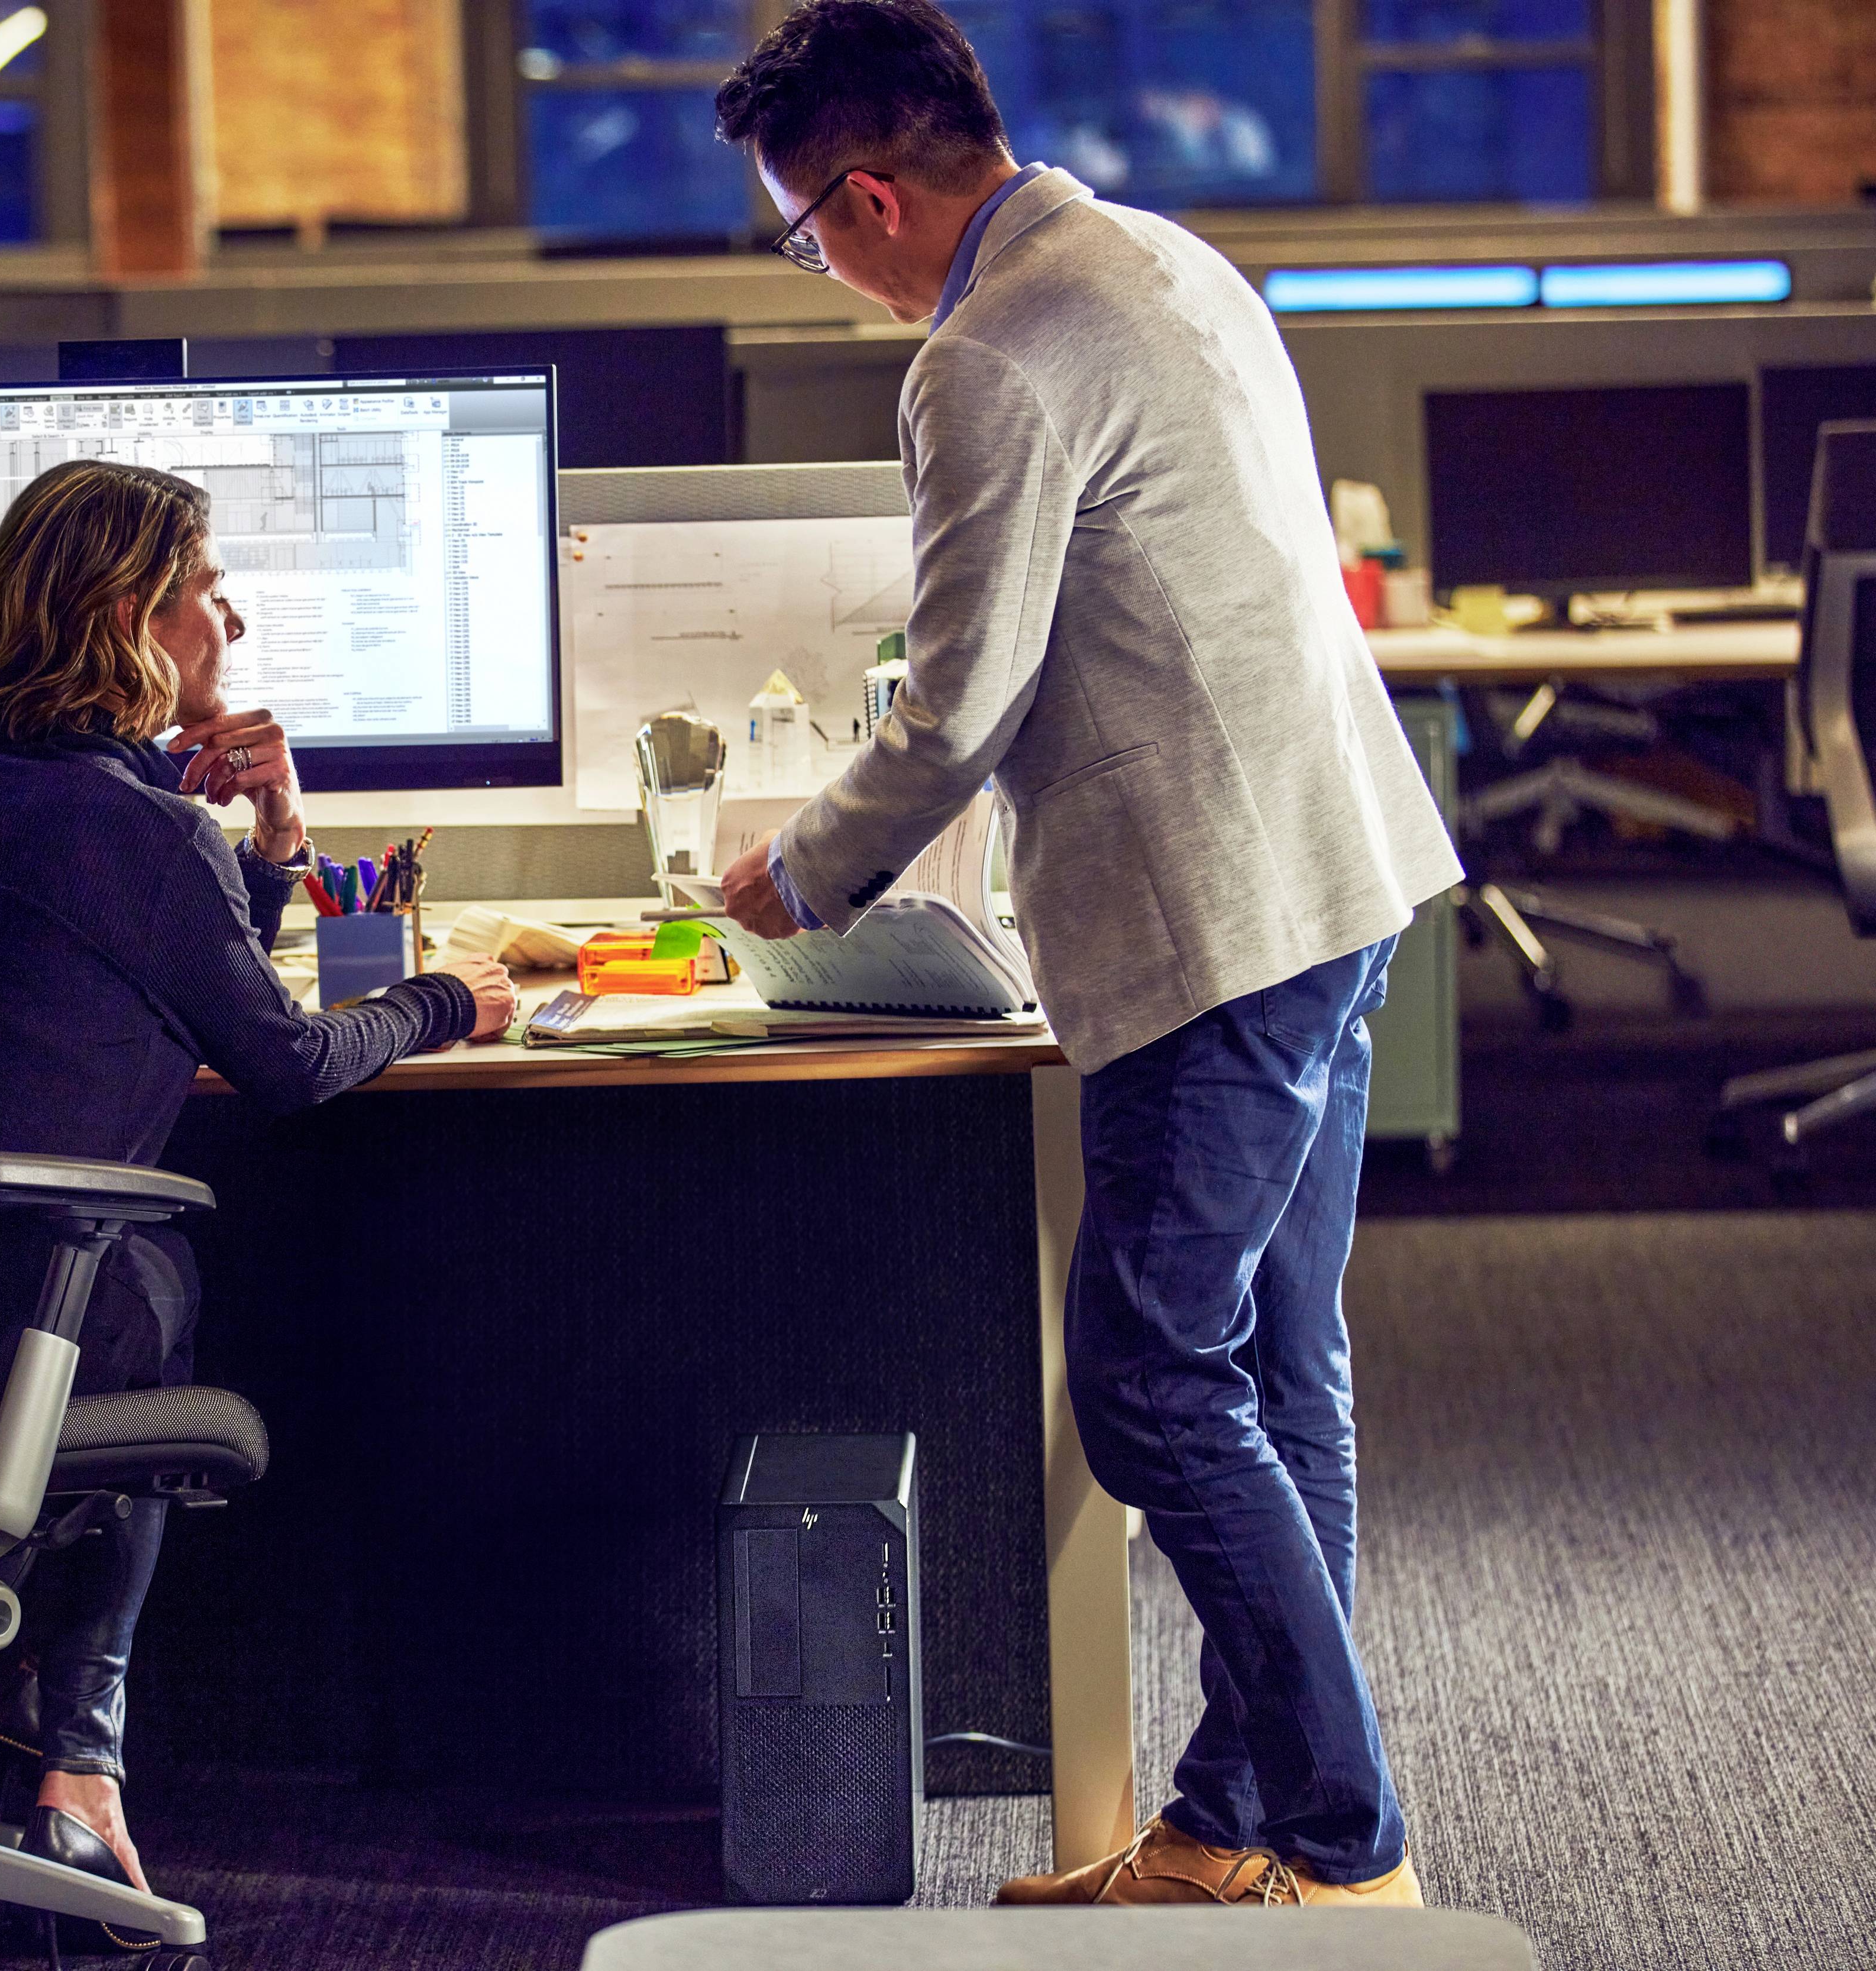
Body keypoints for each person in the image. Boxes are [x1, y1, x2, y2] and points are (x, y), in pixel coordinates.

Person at [710, 0, 1462, 1909]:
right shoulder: (1161, 255)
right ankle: (1228, 1826)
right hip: (1333, 873)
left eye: (803, 236)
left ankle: (1349, 1842)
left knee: (1145, 1374)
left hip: (1216, 924)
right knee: (1276, 1366)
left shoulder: (987, 353)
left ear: (868, 195)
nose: (823, 274)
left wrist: (793, 877)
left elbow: (958, 703)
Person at [0, 458, 517, 1930]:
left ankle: (35, 1757)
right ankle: (78, 1771)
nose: (229, 615)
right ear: (132, 619)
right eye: (206, 590)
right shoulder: (139, 830)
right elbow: (287, 1062)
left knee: (115, 1270)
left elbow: (177, 967)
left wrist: (275, 839)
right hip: (31, 1318)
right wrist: (444, 1000)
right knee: (137, 1271)